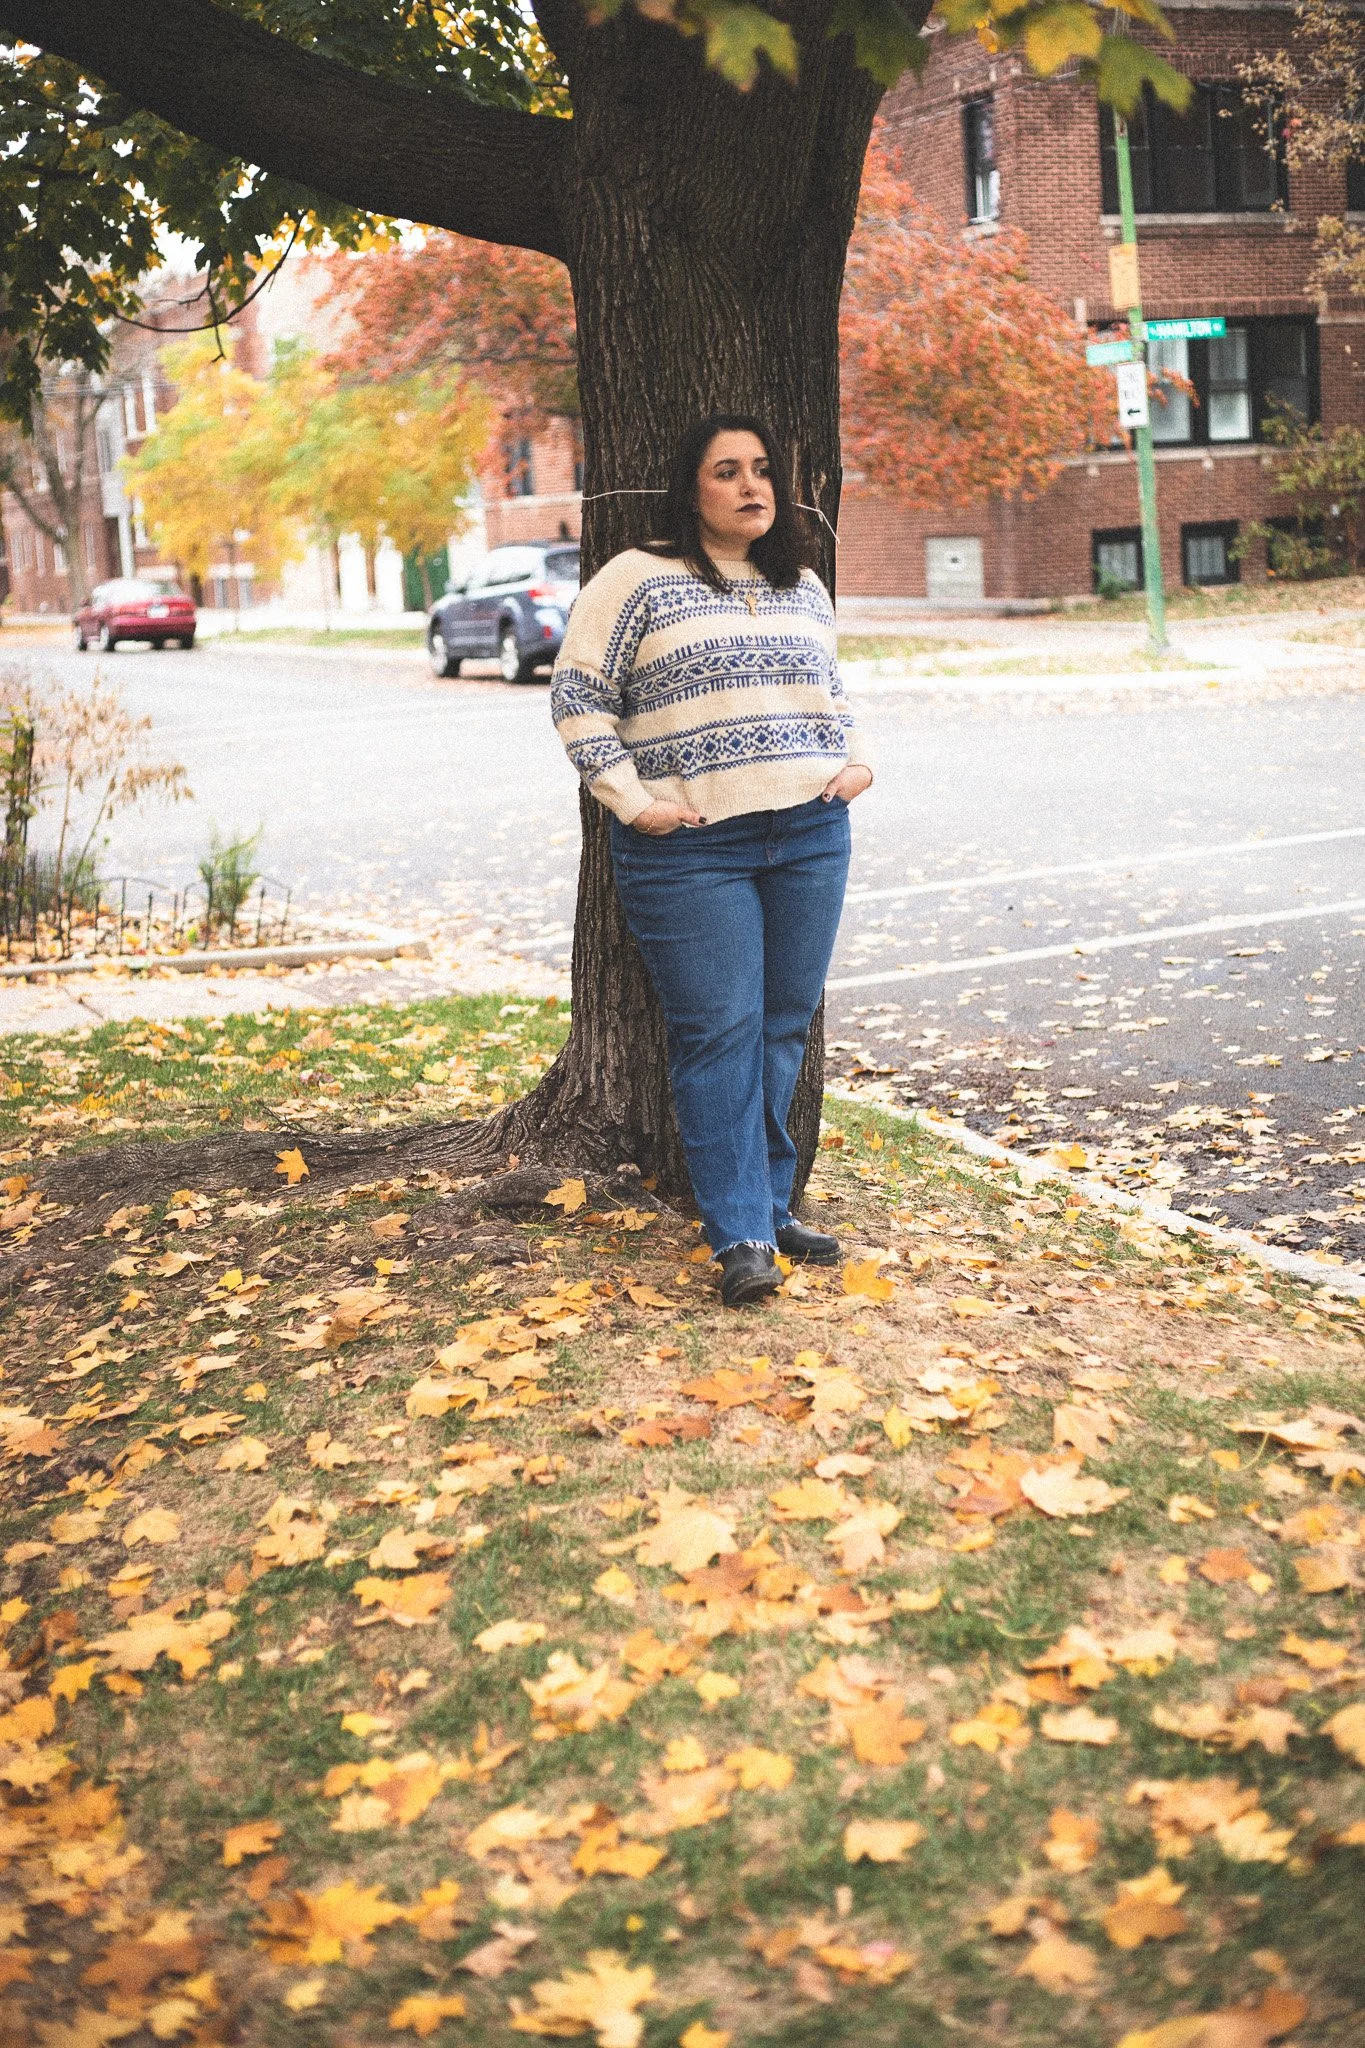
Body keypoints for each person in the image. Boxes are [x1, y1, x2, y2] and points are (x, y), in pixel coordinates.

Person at [551, 415, 872, 1307]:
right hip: (692, 848)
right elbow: (578, 698)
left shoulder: (802, 584)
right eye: (726, 471)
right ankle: (737, 1233)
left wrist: (852, 760)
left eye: (762, 469)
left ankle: (770, 1207)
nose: (749, 486)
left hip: (809, 830)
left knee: (781, 1027)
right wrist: (631, 800)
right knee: (720, 1034)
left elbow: (826, 689)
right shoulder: (637, 579)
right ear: (688, 488)